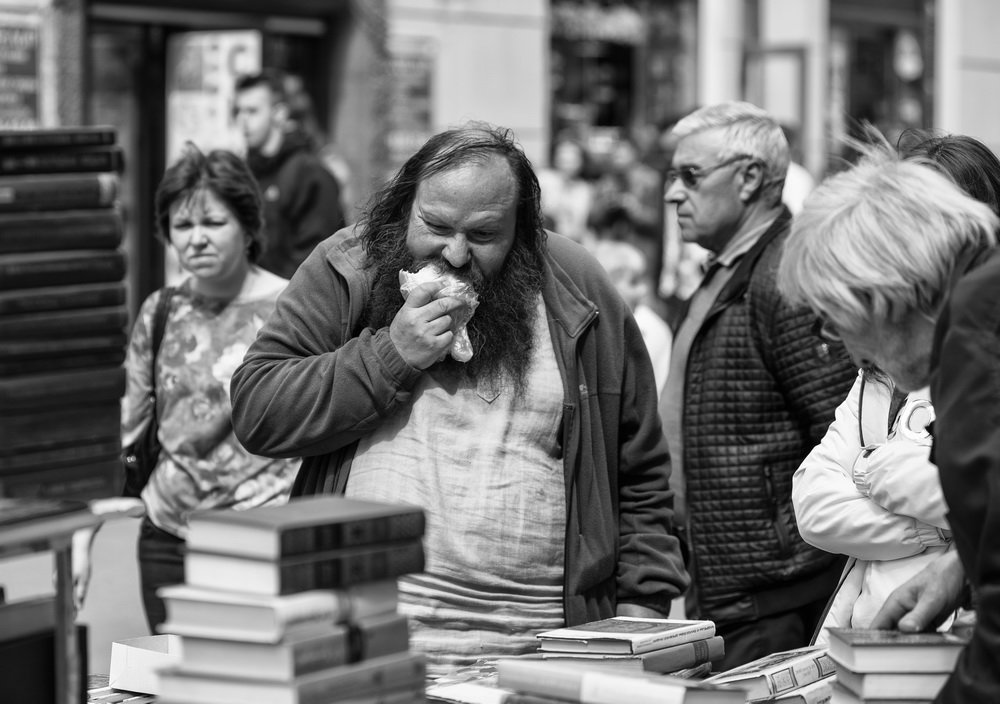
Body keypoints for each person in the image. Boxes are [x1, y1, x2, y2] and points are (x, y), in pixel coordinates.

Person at [230, 123, 689, 677]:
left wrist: (636, 627)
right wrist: (391, 353)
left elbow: (638, 474)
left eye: (483, 234)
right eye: (435, 225)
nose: (453, 253)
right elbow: (258, 409)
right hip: (367, 650)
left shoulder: (578, 288)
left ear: (522, 230)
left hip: (544, 658)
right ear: (405, 208)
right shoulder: (346, 267)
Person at [777, 130, 1000, 702]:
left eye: (835, 320)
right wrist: (959, 565)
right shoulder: (973, 317)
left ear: (881, 295)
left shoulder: (974, 334)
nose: (842, 349)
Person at [658, 101, 857, 669]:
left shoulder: (785, 275)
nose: (673, 193)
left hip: (773, 594)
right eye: (671, 176)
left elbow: (839, 429)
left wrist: (789, 551)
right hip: (731, 582)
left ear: (749, 179)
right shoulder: (730, 268)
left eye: (690, 176)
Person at [75, 145, 300, 632]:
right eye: (182, 226)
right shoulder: (160, 311)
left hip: (262, 537)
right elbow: (125, 429)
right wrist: (81, 537)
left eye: (213, 223)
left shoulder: (291, 307)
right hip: (168, 537)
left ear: (247, 226)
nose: (196, 239)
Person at [233, 69, 346, 278]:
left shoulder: (309, 174)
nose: (242, 120)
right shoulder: (242, 172)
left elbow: (316, 260)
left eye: (252, 111)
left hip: (291, 302)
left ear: (279, 113)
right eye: (238, 111)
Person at [590, 238, 672, 397]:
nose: (643, 291)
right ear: (607, 285)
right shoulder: (582, 328)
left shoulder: (653, 329)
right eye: (633, 282)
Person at [536, 136, 596, 246]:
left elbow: (583, 224)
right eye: (563, 154)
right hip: (547, 242)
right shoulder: (544, 179)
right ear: (555, 157)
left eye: (573, 155)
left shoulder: (585, 189)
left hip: (575, 244)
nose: (567, 160)